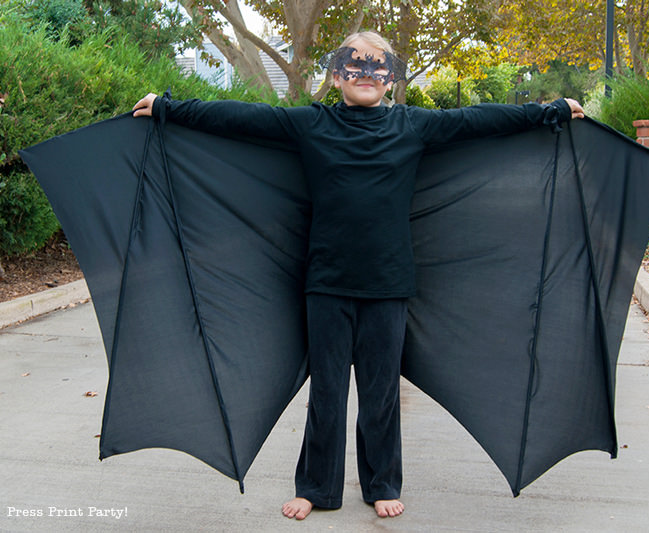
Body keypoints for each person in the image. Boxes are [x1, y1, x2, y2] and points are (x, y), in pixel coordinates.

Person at [133, 31, 584, 520]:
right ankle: (317, 488)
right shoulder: (312, 124)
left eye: (377, 67)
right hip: (326, 282)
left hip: (388, 285)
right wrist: (168, 108)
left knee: (380, 392)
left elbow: (478, 120)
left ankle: (383, 482)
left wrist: (549, 111)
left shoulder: (412, 126)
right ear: (335, 74)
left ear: (391, 78)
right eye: (355, 66)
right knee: (326, 391)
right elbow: (243, 119)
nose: (366, 75)